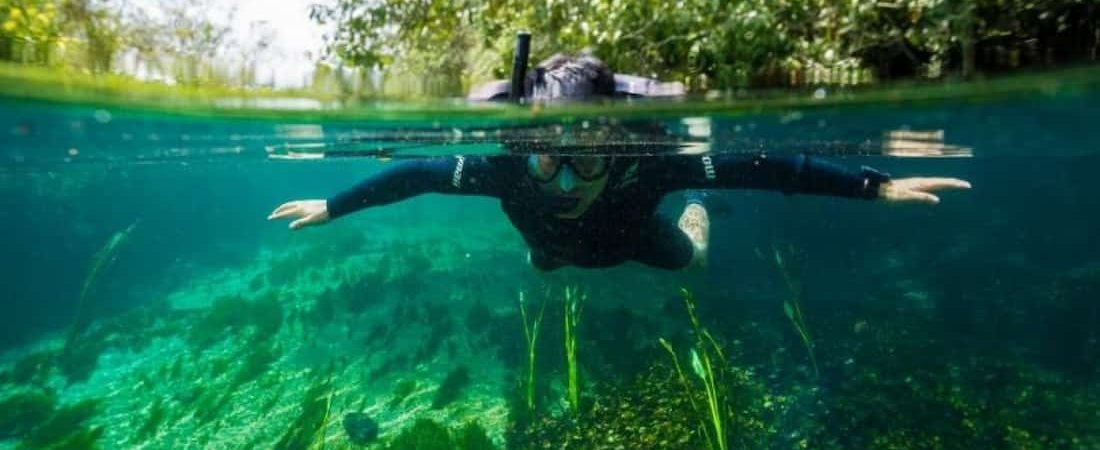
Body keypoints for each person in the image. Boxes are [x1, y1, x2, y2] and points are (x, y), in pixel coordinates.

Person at [269, 53, 970, 271]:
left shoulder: (652, 164)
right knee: (544, 265)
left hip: (634, 243)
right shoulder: (507, 167)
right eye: (549, 164)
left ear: (617, 152)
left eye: (585, 163)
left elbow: (768, 165)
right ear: (525, 152)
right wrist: (333, 205)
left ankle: (695, 223)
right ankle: (546, 253)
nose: (566, 178)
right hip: (551, 249)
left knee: (688, 267)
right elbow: (417, 173)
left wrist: (874, 187)